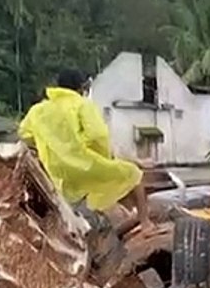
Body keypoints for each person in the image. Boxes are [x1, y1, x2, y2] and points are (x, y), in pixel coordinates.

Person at [18, 69, 149, 227]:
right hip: (84, 165)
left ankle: (121, 219)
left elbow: (25, 135)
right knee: (135, 175)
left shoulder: (37, 110)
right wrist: (101, 156)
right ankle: (145, 223)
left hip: (57, 173)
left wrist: (48, 149)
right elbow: (98, 135)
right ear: (80, 88)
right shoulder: (81, 104)